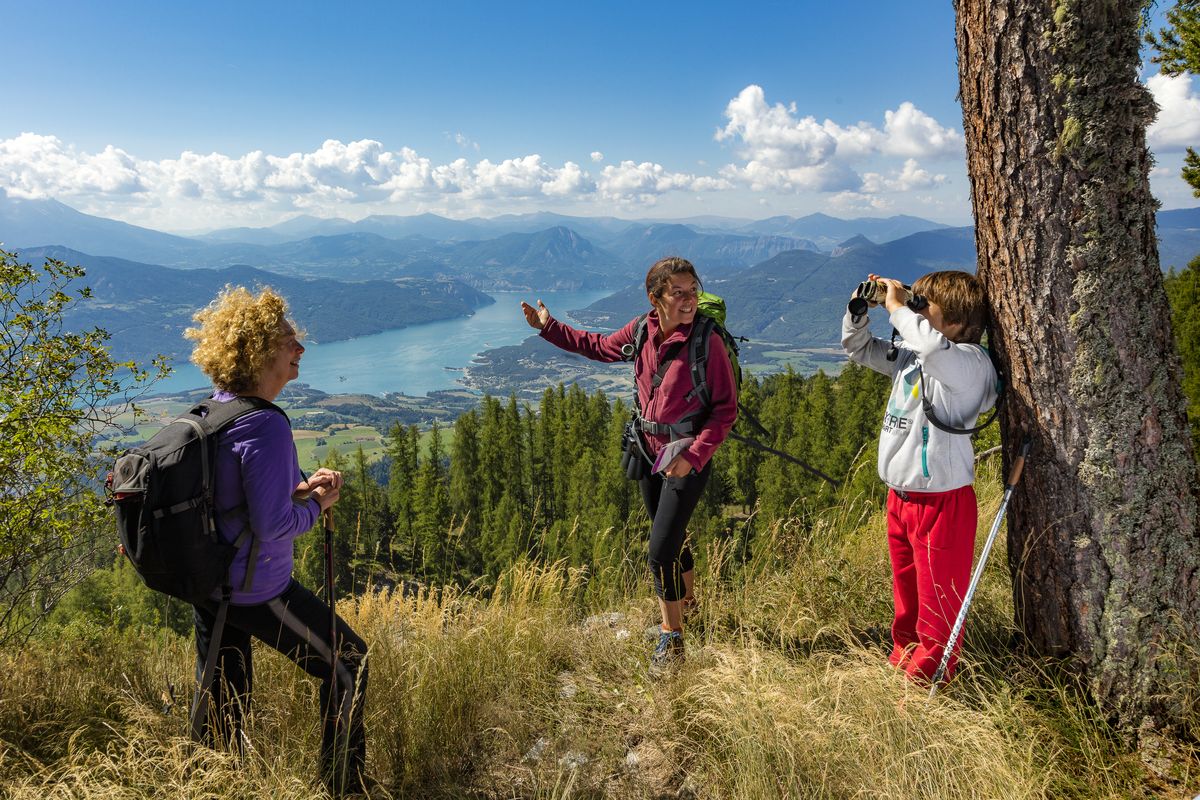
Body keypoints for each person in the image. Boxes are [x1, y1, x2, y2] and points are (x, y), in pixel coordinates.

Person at [185, 285, 368, 795]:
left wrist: (303, 489)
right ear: (261, 351)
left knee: (224, 698)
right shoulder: (264, 425)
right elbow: (273, 525)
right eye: (290, 341)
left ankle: (212, 786)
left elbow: (241, 500)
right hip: (255, 588)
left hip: (211, 583)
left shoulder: (218, 410)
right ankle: (342, 787)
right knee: (349, 664)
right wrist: (318, 506)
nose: (300, 349)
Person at [521, 257, 737, 669]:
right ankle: (689, 609)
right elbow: (598, 347)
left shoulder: (705, 341)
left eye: (693, 290)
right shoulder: (642, 330)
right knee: (673, 539)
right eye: (679, 292)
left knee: (659, 553)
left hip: (687, 457)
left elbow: (725, 410)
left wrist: (693, 457)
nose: (689, 299)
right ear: (654, 297)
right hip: (648, 450)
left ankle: (671, 638)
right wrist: (548, 327)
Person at [841, 270, 998, 684]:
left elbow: (933, 347)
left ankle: (925, 690)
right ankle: (902, 664)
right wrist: (861, 310)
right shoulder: (914, 356)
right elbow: (857, 348)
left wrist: (896, 308)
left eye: (925, 307)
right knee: (907, 602)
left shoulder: (970, 364)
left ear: (959, 323)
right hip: (901, 498)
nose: (916, 312)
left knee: (938, 607)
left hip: (942, 502)